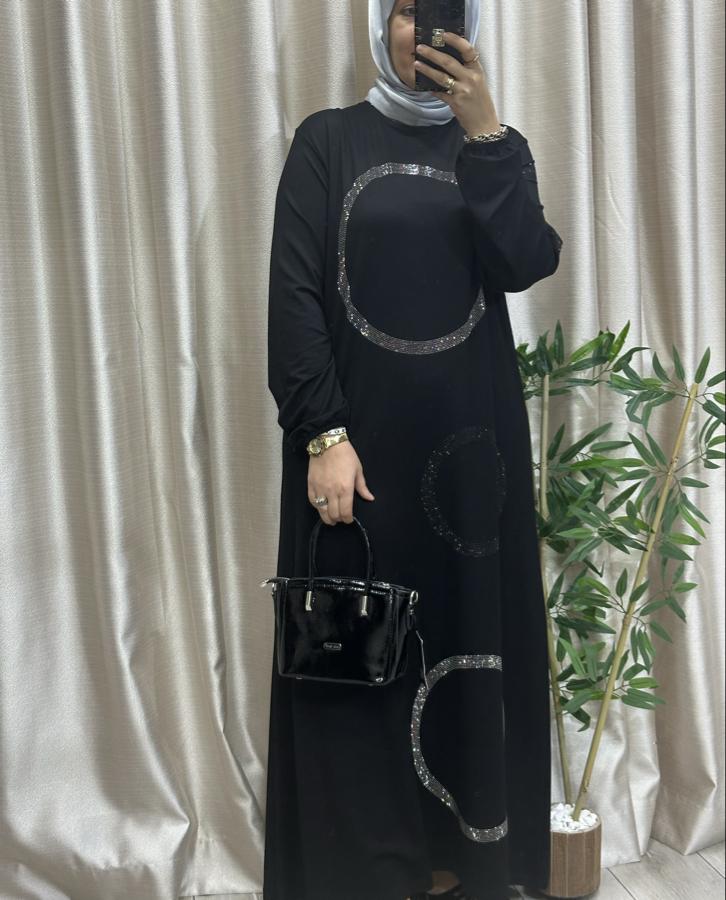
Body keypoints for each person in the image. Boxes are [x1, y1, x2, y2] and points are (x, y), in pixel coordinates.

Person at [263, 0, 564, 897]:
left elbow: (526, 259)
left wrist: (487, 135)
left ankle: (459, 864)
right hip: (358, 461)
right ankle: (363, 874)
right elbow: (293, 294)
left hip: (470, 472)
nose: (421, 33)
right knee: (356, 662)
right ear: (378, 22)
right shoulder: (327, 142)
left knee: (461, 657)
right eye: (404, 10)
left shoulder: (491, 146)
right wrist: (322, 433)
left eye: (442, 10)